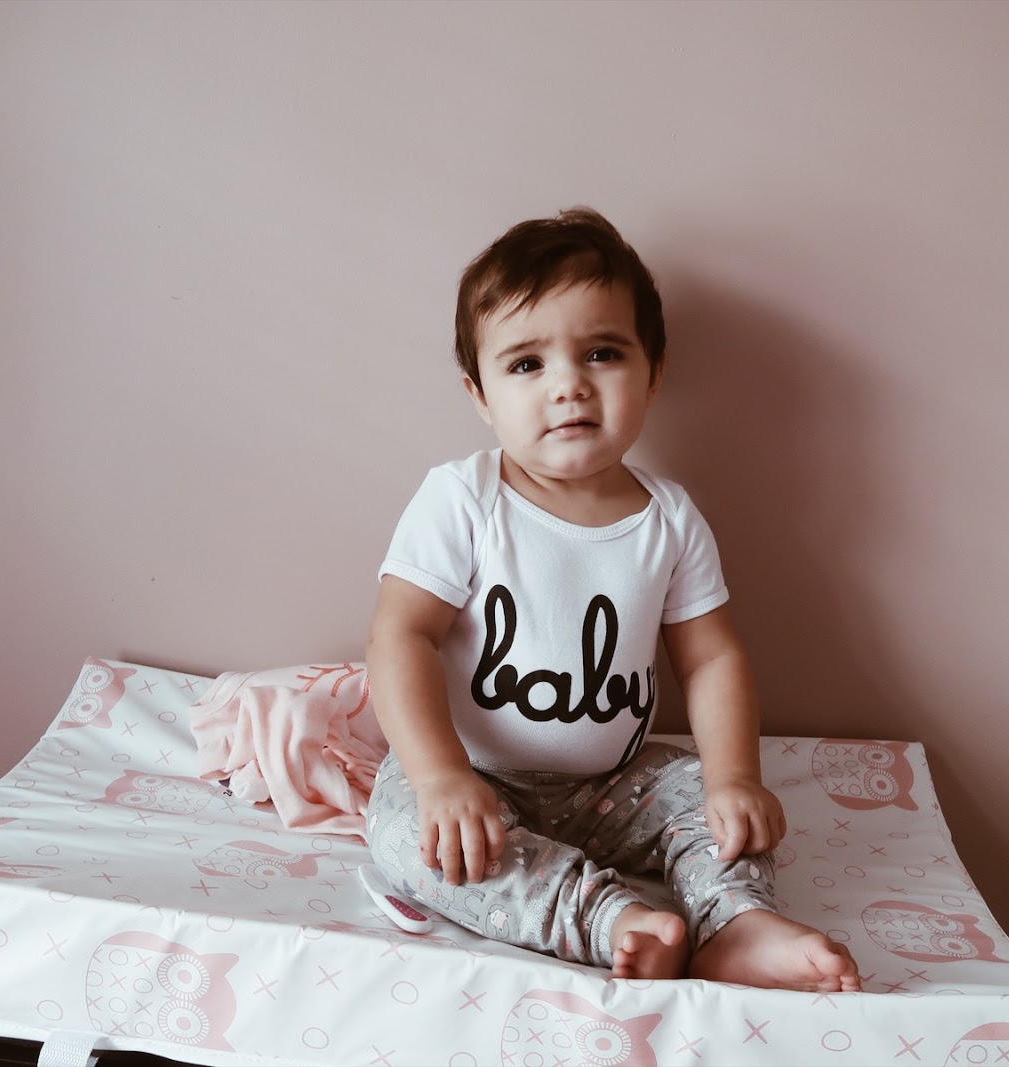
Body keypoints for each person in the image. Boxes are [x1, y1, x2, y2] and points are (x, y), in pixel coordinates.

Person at [364, 207, 860, 992]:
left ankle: (735, 923)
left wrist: (733, 774)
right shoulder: (464, 499)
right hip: (477, 772)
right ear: (480, 393)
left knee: (714, 802)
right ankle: (611, 920)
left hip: (611, 788)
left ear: (653, 373)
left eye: (601, 353)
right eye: (527, 363)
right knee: (404, 835)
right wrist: (438, 775)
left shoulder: (669, 519)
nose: (568, 385)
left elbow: (711, 658)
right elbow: (401, 637)